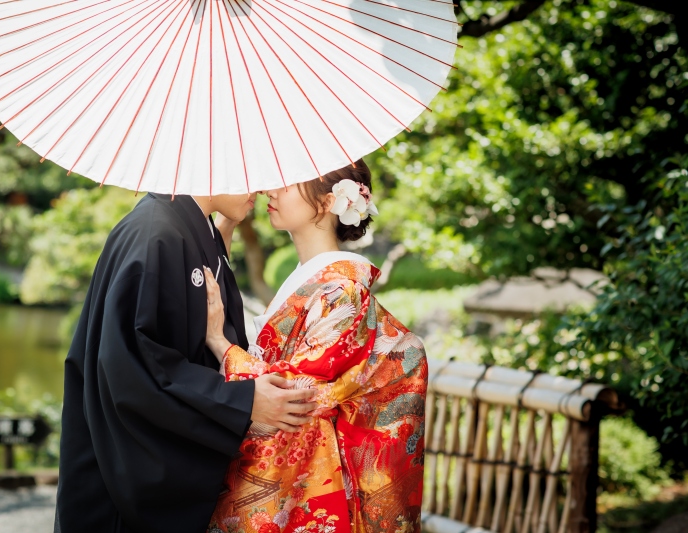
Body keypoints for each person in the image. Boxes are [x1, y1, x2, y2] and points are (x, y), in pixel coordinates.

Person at [55, 192, 318, 533]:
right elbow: (135, 368)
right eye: (249, 172)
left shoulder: (190, 226)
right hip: (120, 477)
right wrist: (243, 400)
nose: (262, 186)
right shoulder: (155, 234)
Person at [204, 160, 428, 533]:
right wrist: (225, 224)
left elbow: (295, 392)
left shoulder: (342, 289)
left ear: (327, 202)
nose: (269, 190)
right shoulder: (311, 277)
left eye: (287, 182)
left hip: (310, 478)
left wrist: (220, 345)